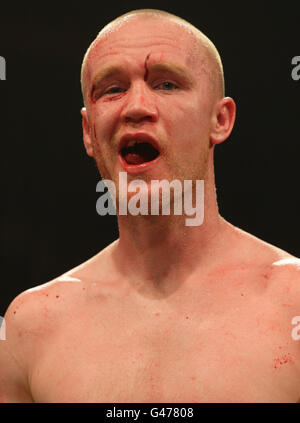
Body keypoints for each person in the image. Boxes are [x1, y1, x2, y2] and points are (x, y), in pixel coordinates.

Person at [1, 9, 300, 403]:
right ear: (89, 133)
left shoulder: (291, 302)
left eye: (166, 84)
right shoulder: (32, 325)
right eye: (112, 89)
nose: (136, 107)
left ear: (220, 119)